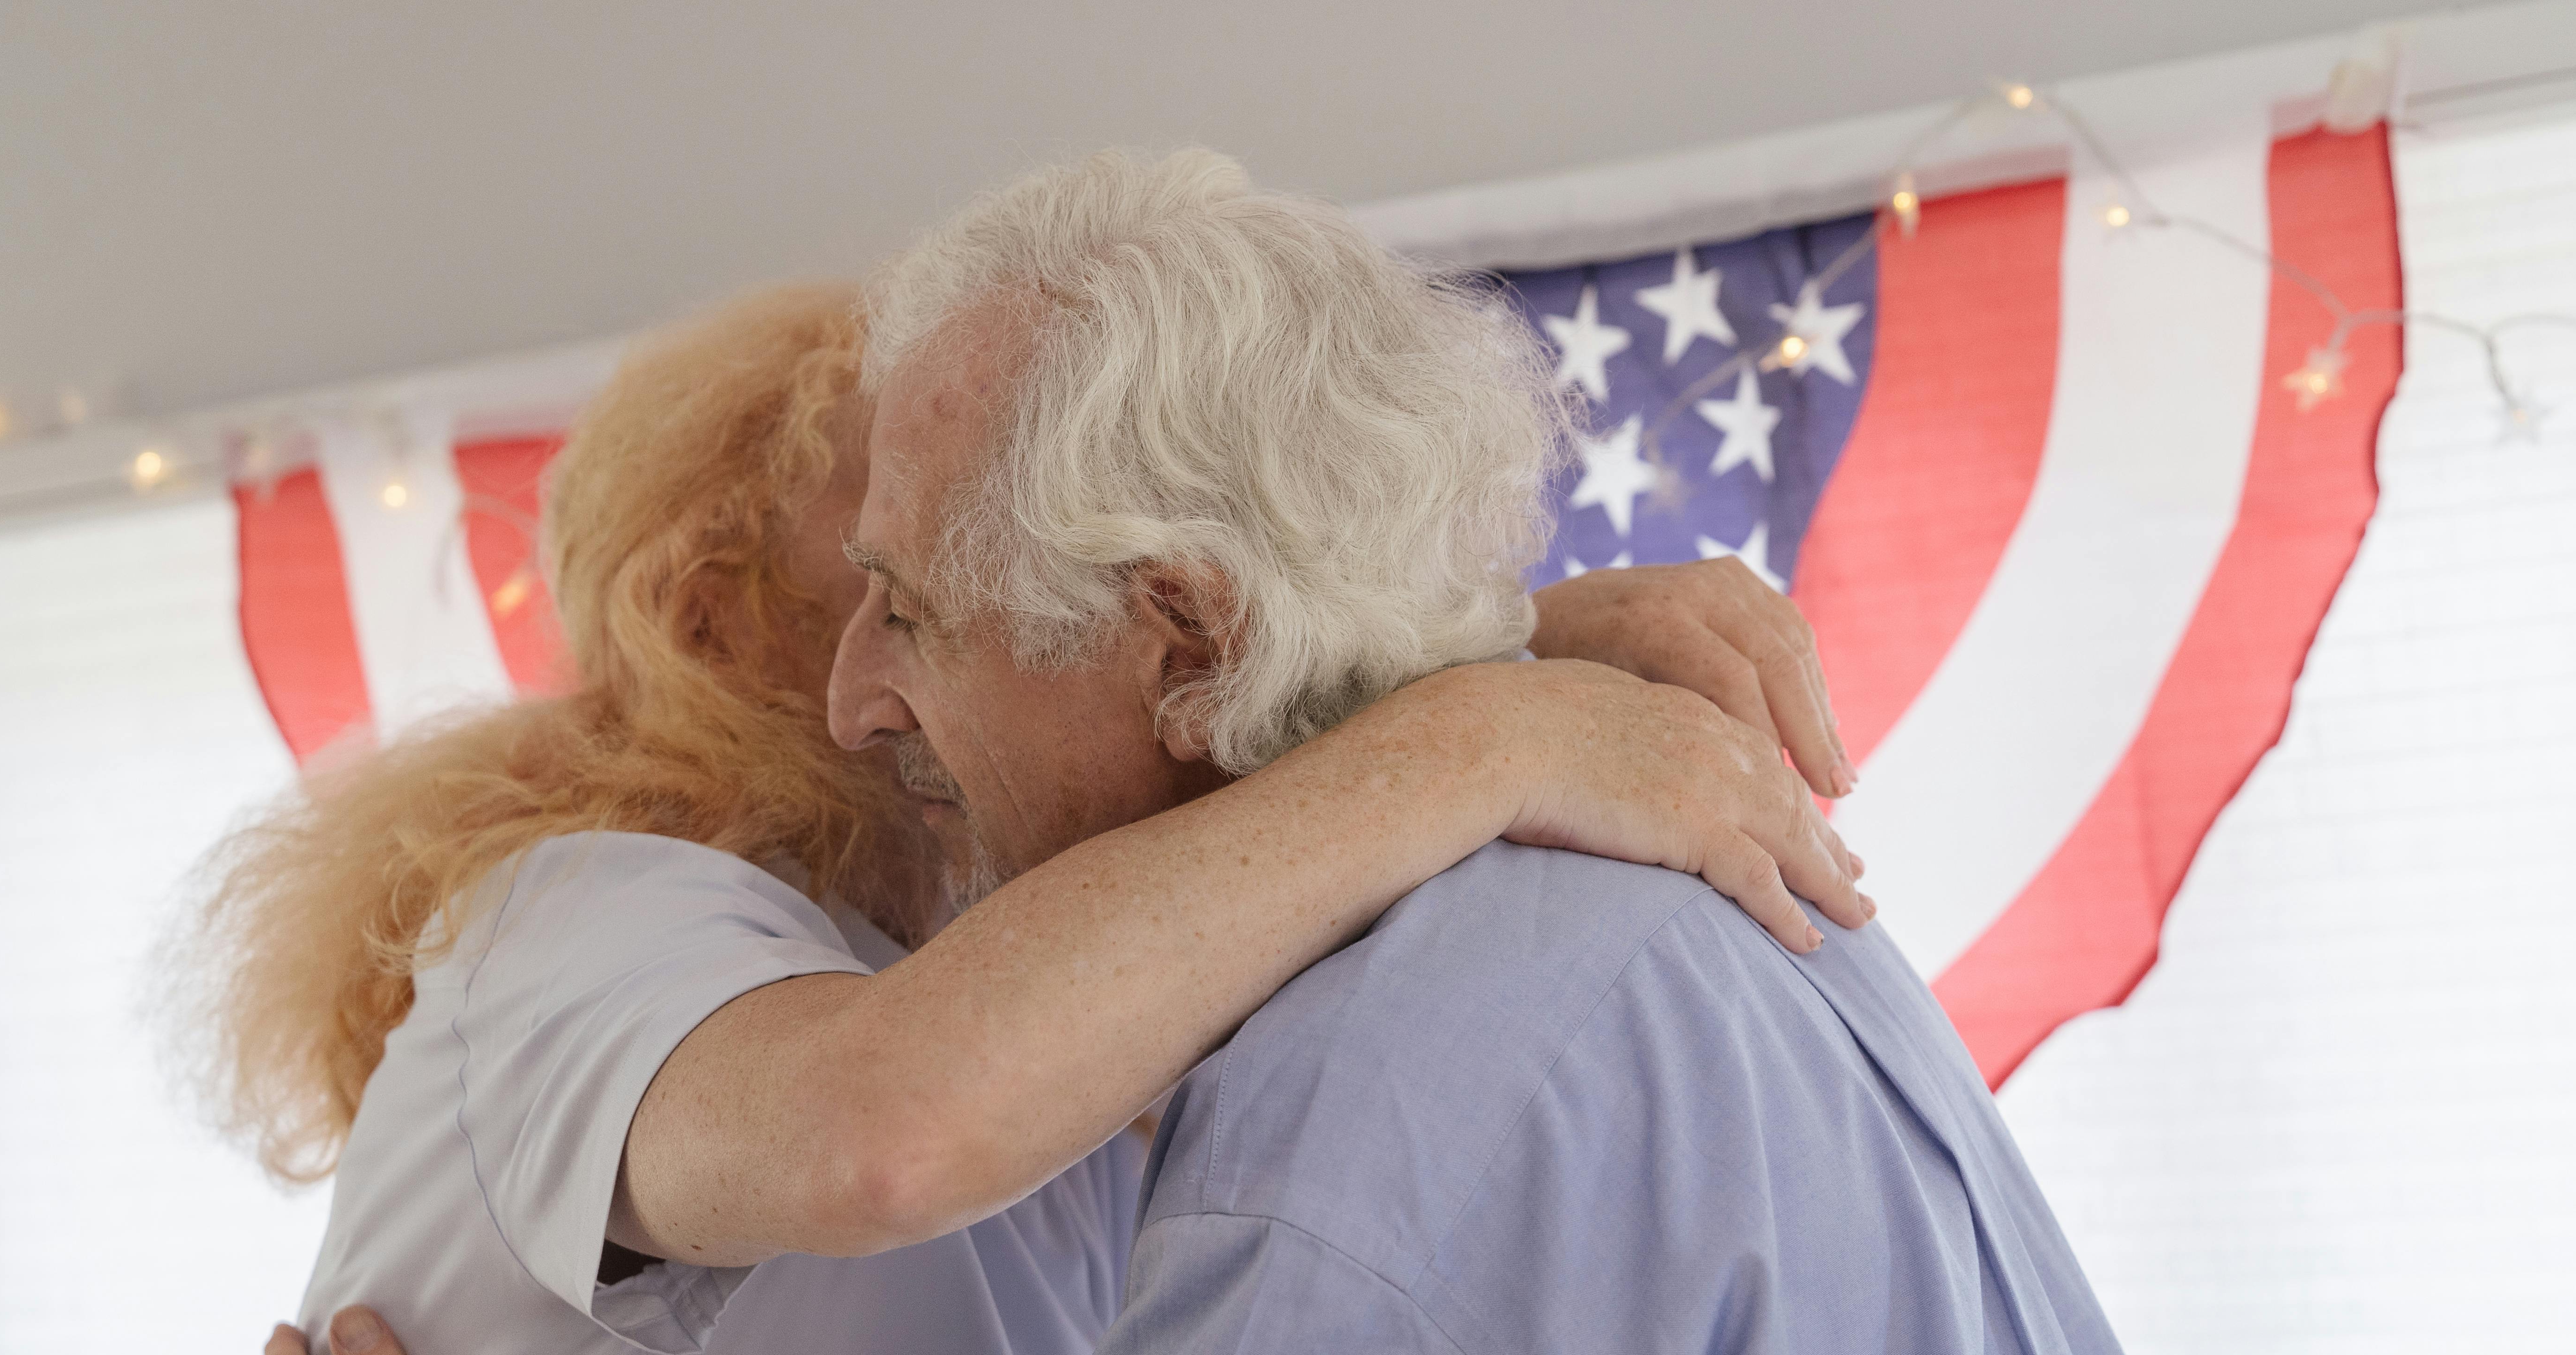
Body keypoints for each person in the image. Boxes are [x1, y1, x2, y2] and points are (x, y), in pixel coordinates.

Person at [204, 276, 1871, 1354]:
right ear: (710, 625)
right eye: (889, 559)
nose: (1000, 587)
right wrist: (1480, 728)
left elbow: (1169, 843)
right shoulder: (590, 910)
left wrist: (1475, 642)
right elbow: (885, 1129)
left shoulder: (1006, 981)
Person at [820, 148, 2122, 1352]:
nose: (851, 704)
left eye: (910, 613)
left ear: (1191, 650)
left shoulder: (1340, 1162)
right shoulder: (1678, 871)